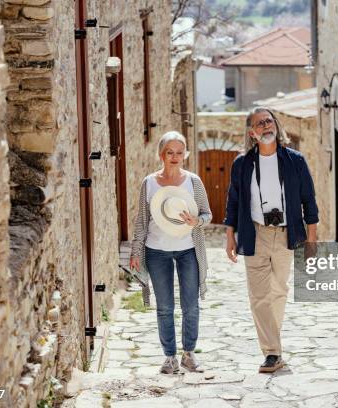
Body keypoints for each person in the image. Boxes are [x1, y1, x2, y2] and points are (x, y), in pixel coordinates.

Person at [224, 107, 319, 373]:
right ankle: (272, 352)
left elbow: (308, 201)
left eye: (269, 121)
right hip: (255, 233)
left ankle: (273, 344)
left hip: (286, 233)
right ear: (252, 133)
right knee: (258, 295)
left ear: (275, 126)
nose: (266, 126)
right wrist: (230, 236)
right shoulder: (242, 164)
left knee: (278, 291)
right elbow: (233, 201)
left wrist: (311, 240)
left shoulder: (294, 161)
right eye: (260, 123)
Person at [129, 131, 212, 374]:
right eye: (169, 152)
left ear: (185, 154)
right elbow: (141, 222)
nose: (175, 157)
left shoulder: (194, 182)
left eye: (179, 152)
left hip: (188, 251)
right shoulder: (149, 183)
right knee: (164, 307)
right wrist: (136, 251)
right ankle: (169, 357)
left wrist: (196, 221)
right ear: (161, 155)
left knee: (190, 305)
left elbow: (207, 215)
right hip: (156, 251)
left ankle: (188, 353)